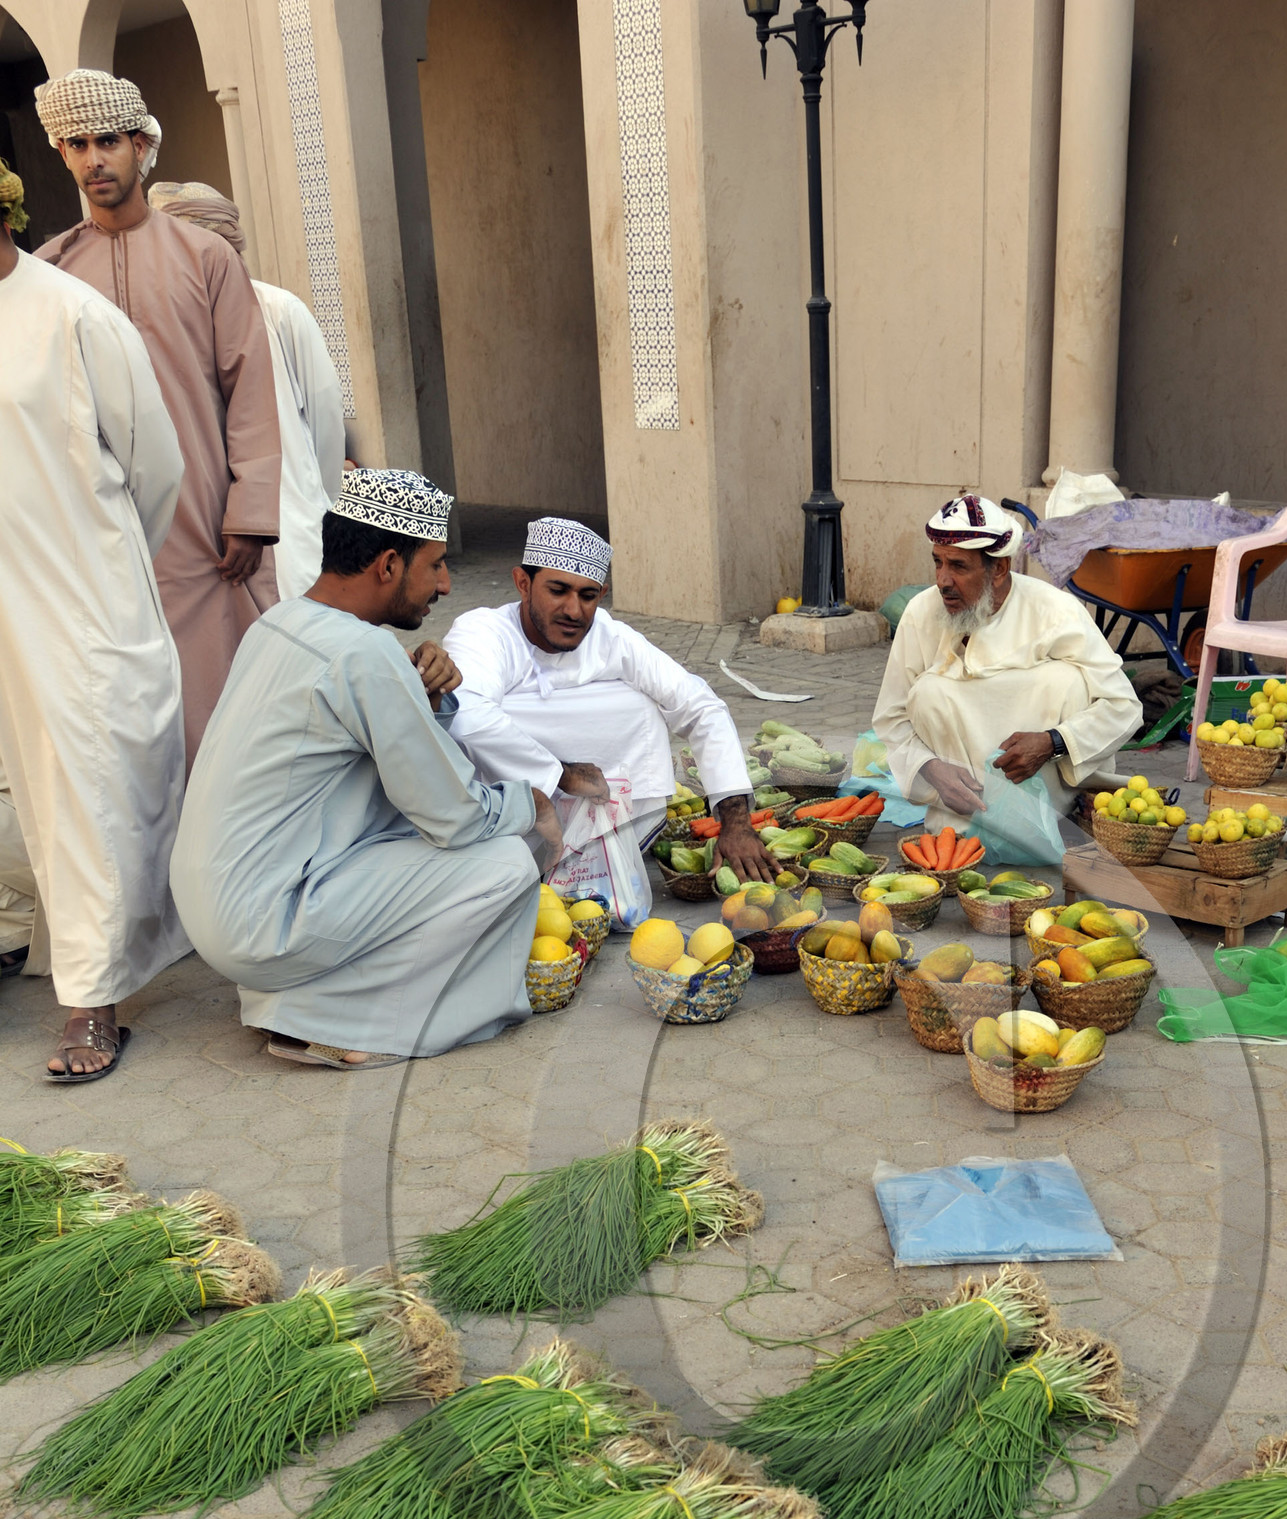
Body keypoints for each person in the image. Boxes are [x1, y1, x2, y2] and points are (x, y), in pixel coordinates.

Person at [171, 470, 561, 1069]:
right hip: (265, 922)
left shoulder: (277, 624)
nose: (447, 585)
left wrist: (424, 696)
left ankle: (294, 999)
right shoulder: (364, 653)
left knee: (428, 836)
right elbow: (451, 814)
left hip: (214, 910)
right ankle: (352, 1024)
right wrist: (530, 802)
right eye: (433, 565)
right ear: (387, 564)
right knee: (506, 862)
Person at [0, 156, 189, 1084]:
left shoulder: (74, 316)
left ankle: (91, 1003)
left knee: (87, 789)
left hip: (79, 597)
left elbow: (157, 466)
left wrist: (107, 567)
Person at [35, 70, 281, 770]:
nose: (93, 160)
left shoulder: (204, 258)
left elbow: (251, 387)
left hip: (205, 527)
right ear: (60, 153)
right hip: (104, 525)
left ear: (141, 146)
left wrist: (249, 512)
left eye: (107, 141)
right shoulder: (53, 269)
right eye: (76, 144)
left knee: (225, 697)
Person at [443, 517, 777, 895]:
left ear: (601, 595)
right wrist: (561, 775)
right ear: (523, 583)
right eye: (558, 591)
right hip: (505, 818)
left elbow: (701, 706)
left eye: (588, 596)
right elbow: (465, 716)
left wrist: (735, 824)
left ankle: (601, 859)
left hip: (602, 820)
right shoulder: (483, 632)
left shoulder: (610, 635)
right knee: (479, 713)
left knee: (642, 705)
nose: (574, 610)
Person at [873, 494, 1142, 835]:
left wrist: (1053, 742)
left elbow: (1124, 707)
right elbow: (891, 717)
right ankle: (974, 821)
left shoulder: (1055, 610)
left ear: (999, 568)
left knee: (1070, 681)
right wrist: (929, 768)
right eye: (938, 563)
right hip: (962, 813)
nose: (942, 580)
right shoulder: (921, 612)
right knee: (928, 692)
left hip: (1049, 798)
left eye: (958, 566)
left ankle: (1054, 818)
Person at [149, 180, 344, 601]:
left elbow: (325, 415)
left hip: (290, 527)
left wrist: (320, 500)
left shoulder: (279, 309)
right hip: (200, 538)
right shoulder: (159, 322)